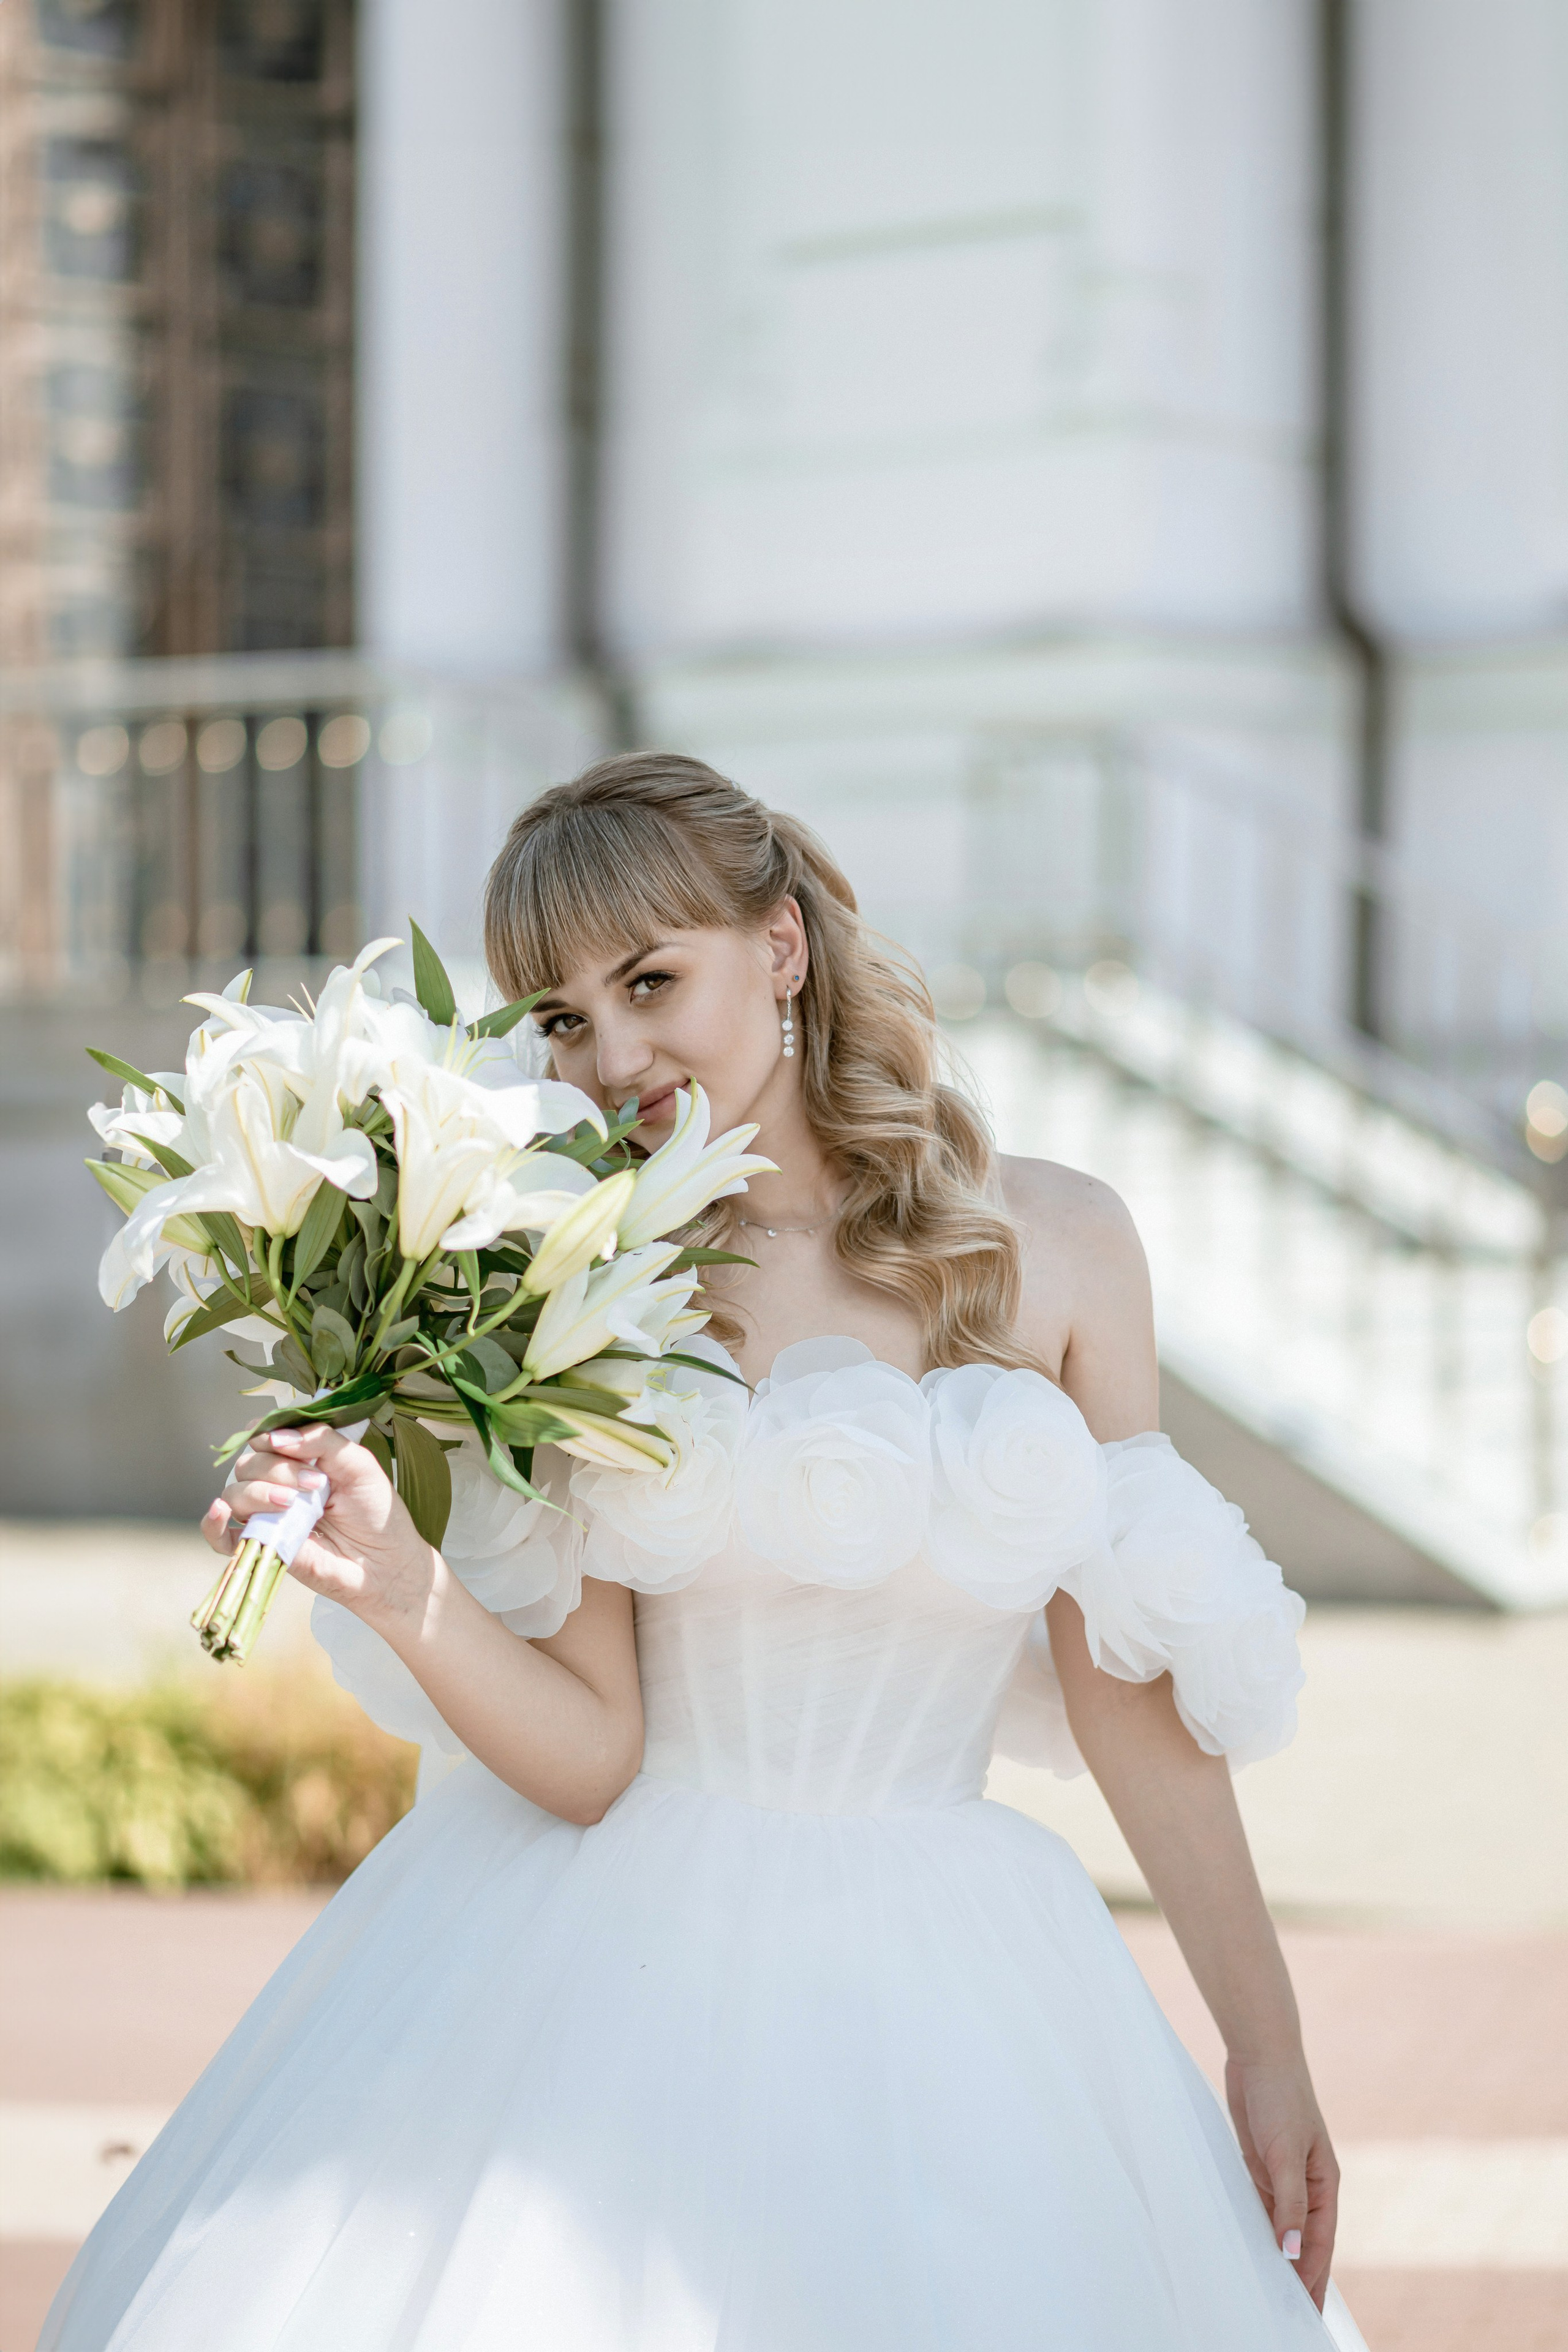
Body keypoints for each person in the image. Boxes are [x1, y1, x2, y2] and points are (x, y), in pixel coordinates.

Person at [42, 754, 1367, 2350]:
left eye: (651, 980)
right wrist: (403, 1585)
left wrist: (1267, 2042)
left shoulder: (1065, 1248)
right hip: (605, 1971)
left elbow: (1127, 1699)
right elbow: (593, 1755)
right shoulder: (573, 1284)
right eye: (562, 1017)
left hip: (966, 1981)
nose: (613, 1056)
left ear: (782, 946)